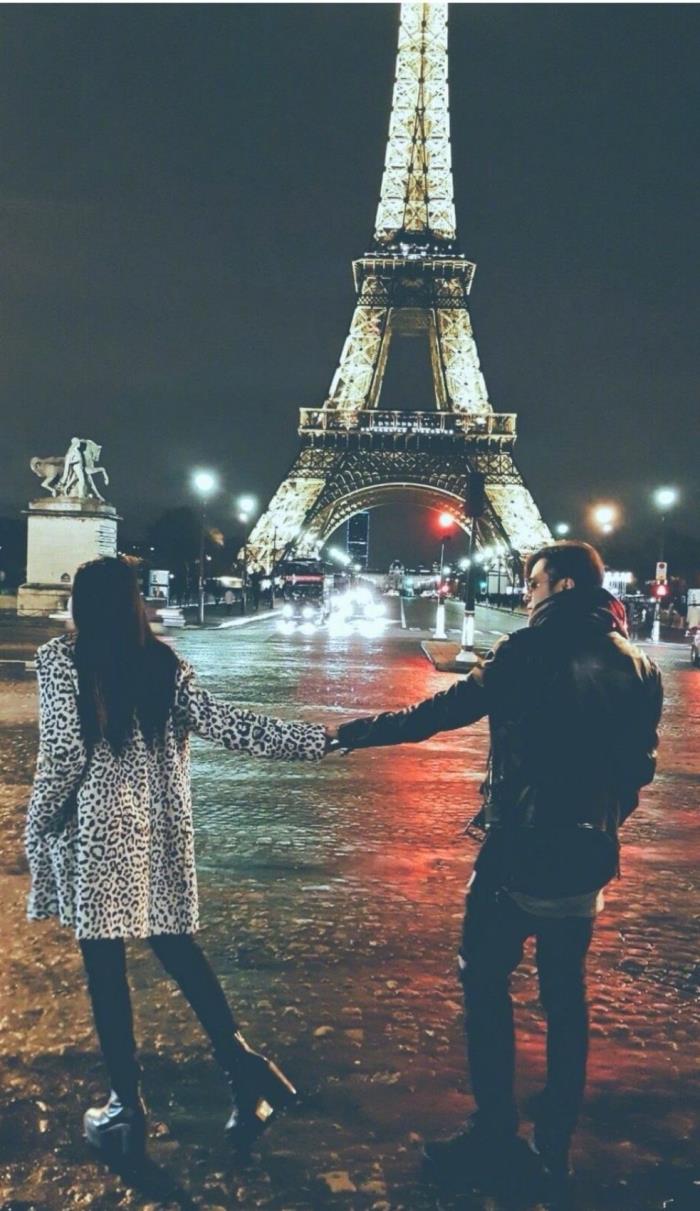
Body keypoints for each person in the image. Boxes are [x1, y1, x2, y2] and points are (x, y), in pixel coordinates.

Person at [332, 541, 663, 1198]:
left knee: (483, 979)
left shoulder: (524, 651)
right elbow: (639, 769)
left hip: (518, 850)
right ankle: (554, 1145)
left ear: (561, 584)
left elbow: (437, 715)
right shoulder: (641, 666)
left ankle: (493, 1129)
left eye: (533, 582)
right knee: (565, 996)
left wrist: (354, 731)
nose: (528, 594)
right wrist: (598, 822)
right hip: (587, 856)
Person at [25, 556, 329, 1161]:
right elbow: (233, 726)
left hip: (99, 834)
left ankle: (126, 1106)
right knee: (177, 949)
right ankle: (245, 1068)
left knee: (105, 968)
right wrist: (321, 738)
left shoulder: (62, 660)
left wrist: (37, 825)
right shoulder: (166, 665)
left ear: (82, 605)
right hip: (158, 833)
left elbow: (62, 755)